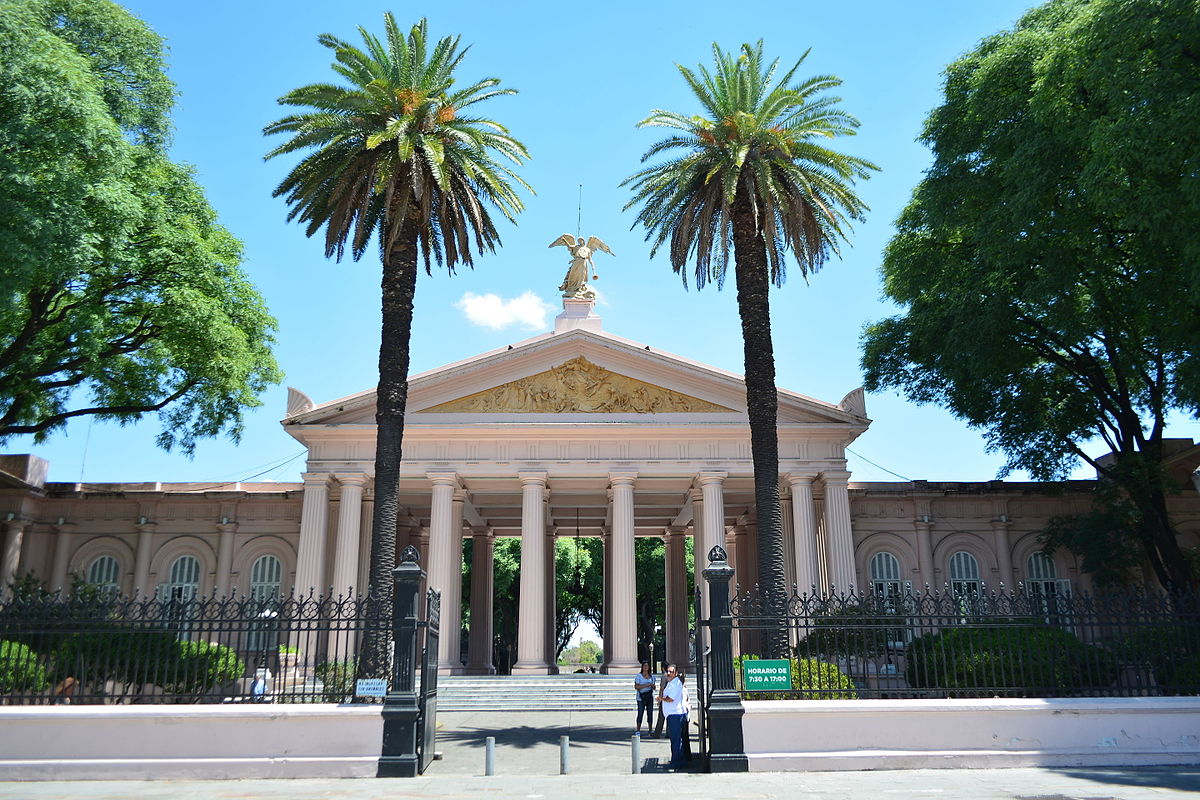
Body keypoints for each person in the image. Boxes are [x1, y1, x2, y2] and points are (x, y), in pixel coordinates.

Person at [659, 663, 690, 769]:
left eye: (671, 671)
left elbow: (671, 698)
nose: (668, 673)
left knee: (676, 740)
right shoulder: (671, 683)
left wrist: (661, 699)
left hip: (676, 715)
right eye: (668, 671)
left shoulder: (676, 683)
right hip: (672, 714)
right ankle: (679, 760)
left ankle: (677, 761)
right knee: (675, 739)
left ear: (676, 673)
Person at [634, 661, 656, 734]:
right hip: (641, 697)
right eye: (644, 666)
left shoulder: (652, 677)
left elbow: (654, 687)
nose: (646, 667)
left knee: (650, 713)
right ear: (642, 667)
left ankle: (650, 729)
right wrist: (647, 685)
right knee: (640, 713)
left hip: (649, 696)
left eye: (647, 666)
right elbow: (636, 686)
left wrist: (652, 686)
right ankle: (638, 730)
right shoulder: (639, 676)